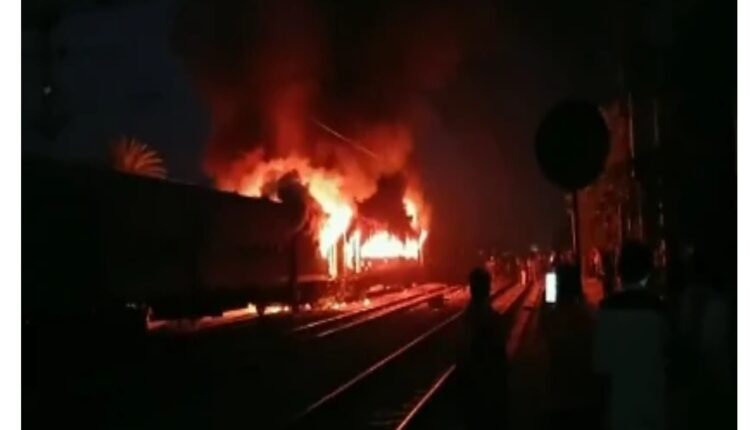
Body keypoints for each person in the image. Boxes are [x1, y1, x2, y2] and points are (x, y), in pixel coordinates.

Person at [594, 240, 668, 430]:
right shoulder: (659, 310)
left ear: (619, 271)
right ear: (649, 271)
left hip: (620, 410)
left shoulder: (606, 310)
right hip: (654, 408)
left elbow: (601, 368)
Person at [541, 264, 600, 429]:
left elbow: (543, 331)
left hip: (558, 397)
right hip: (585, 397)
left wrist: (547, 300)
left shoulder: (553, 318)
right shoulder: (589, 315)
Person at [456, 267, 509, 429]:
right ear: (488, 288)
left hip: (472, 389)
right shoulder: (493, 318)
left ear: (471, 289)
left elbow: (461, 355)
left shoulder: (465, 319)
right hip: (490, 388)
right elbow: (500, 355)